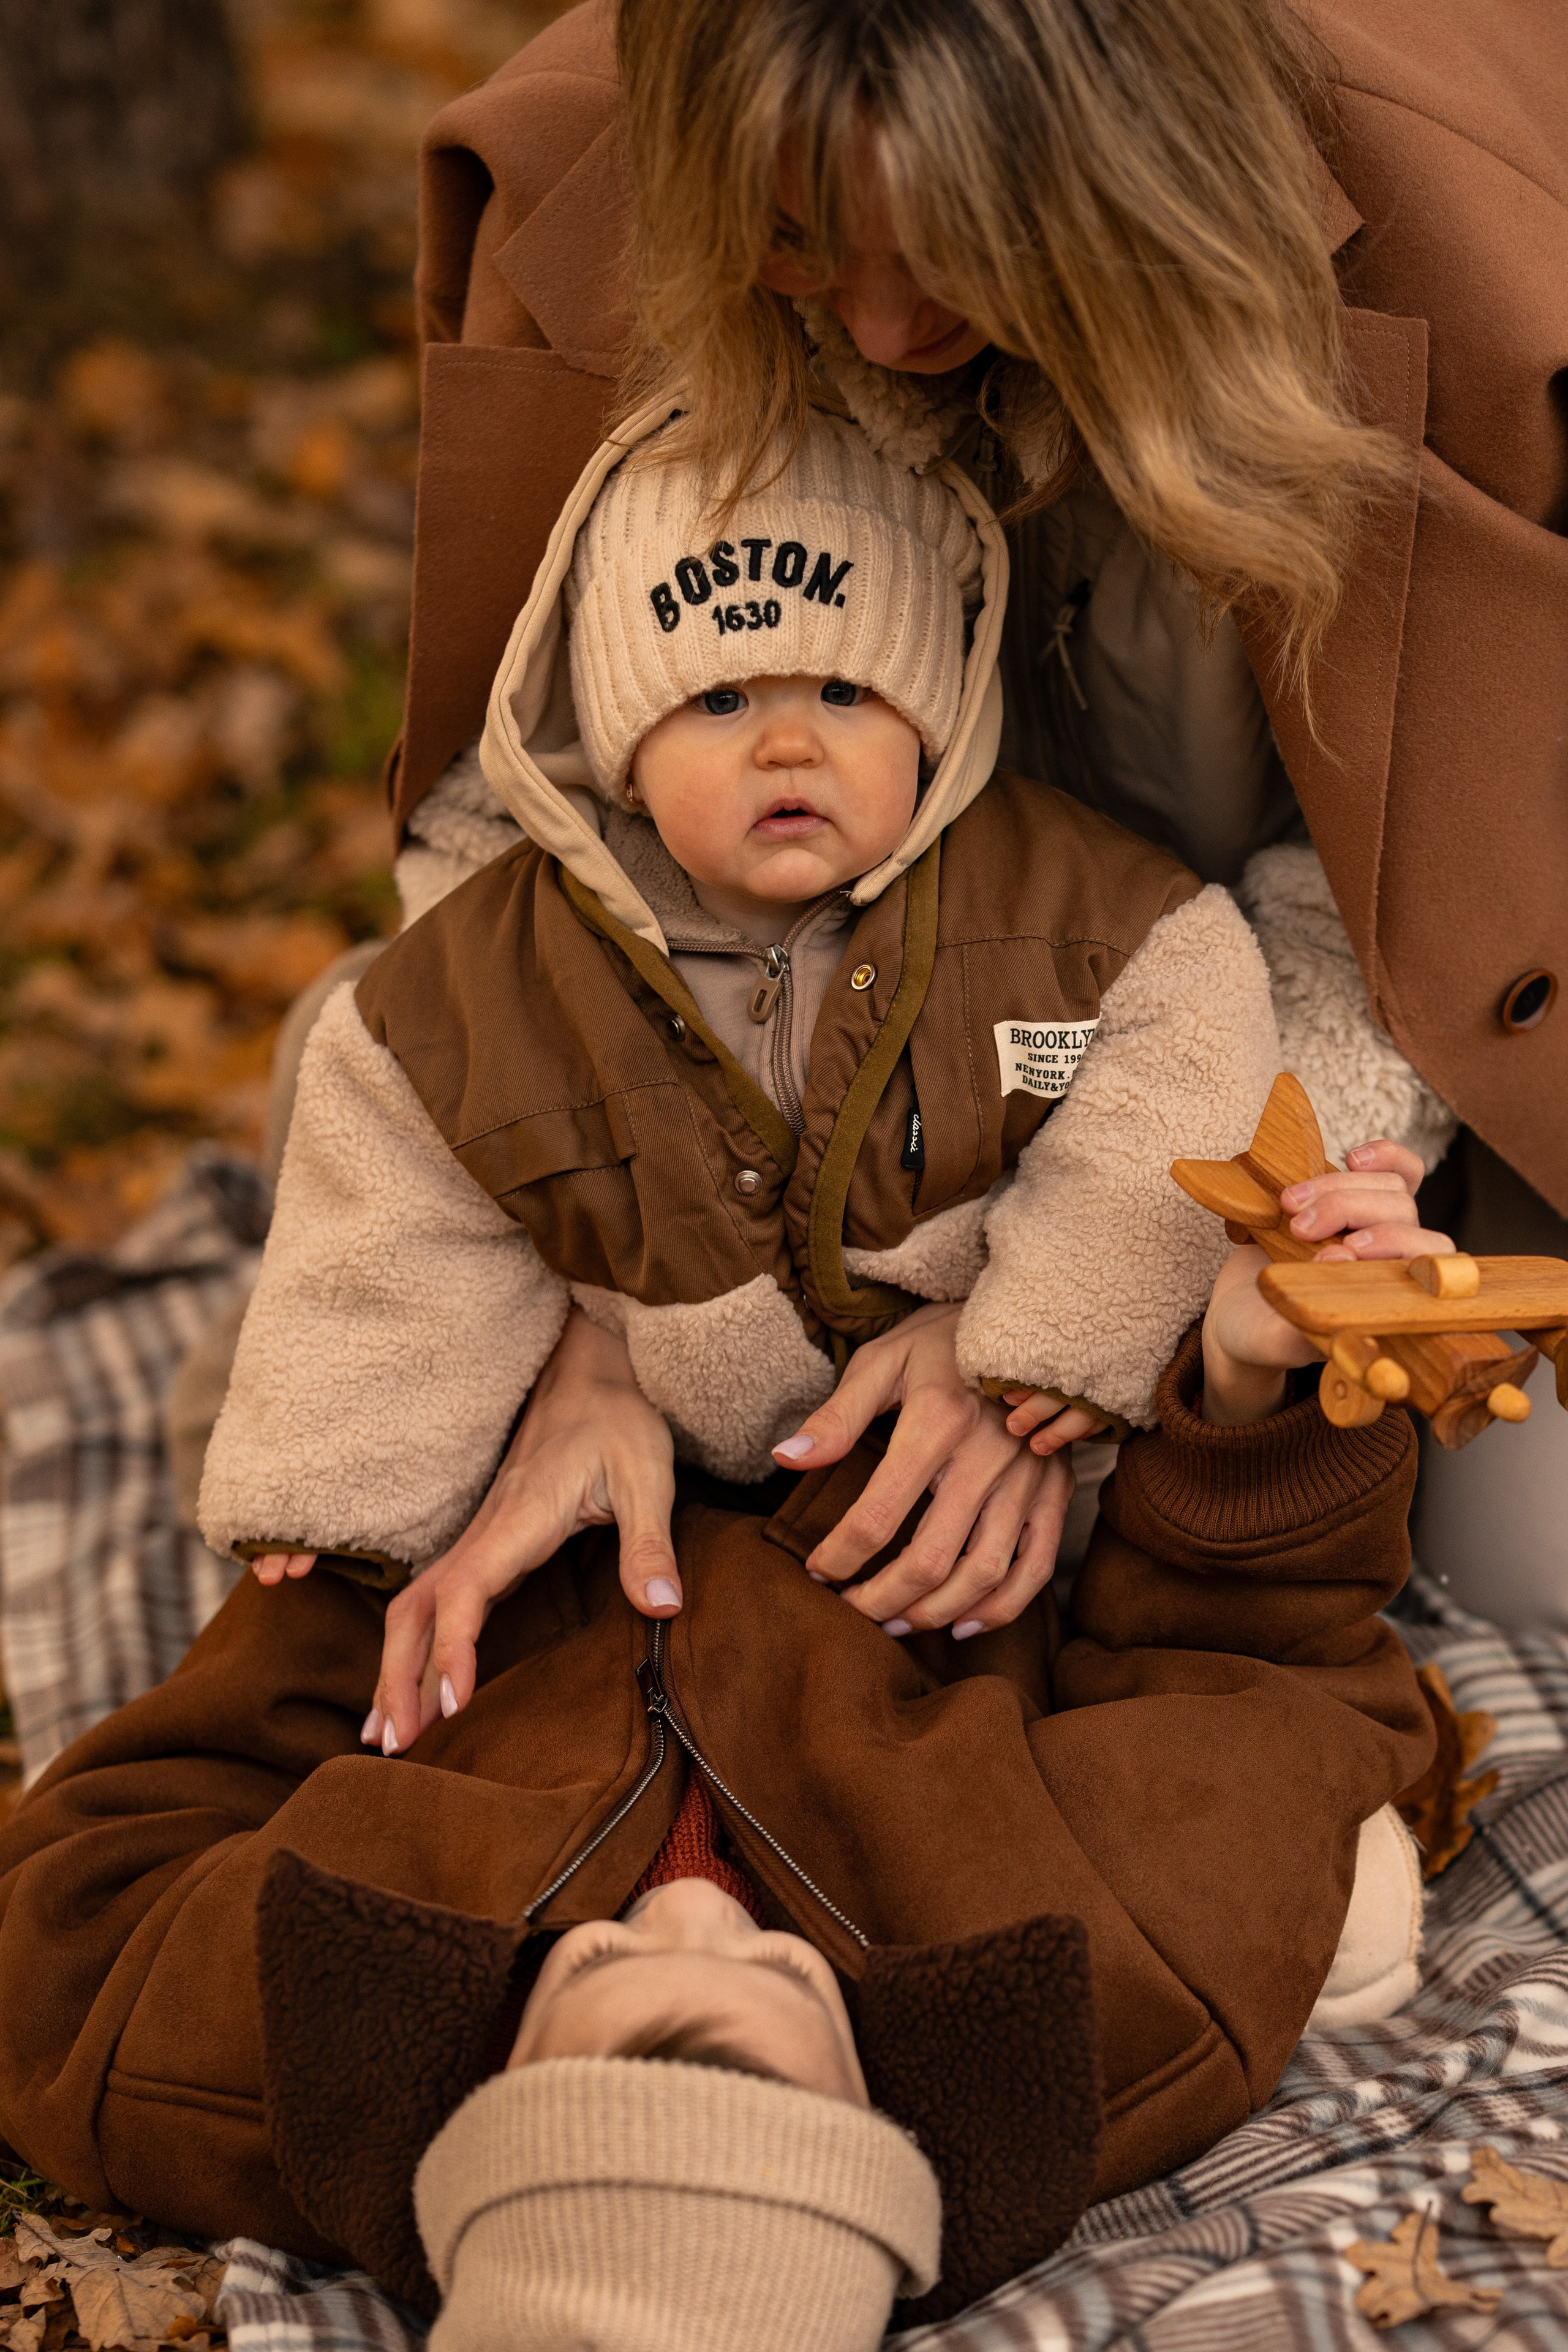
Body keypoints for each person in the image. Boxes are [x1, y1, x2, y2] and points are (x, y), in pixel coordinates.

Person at [394, 0, 1568, 1626]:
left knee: (1525, 1574)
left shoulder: (1476, 259)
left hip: (1354, 1000)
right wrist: (607, 1312)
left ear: (1130, 178)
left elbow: (1444, 870)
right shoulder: (575, 188)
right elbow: (522, 823)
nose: (878, 330)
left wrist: (1078, 1314)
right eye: (799, 247)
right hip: (852, 1052)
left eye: (958, 252)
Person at [193, 405, 1441, 1735]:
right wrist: (336, 1483)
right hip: (676, 1427)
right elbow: (392, 1219)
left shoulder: (1074, 911)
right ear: (618, 747)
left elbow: (1168, 1097)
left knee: (1037, 1635)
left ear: (935, 719)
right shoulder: (500, 972)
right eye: (721, 699)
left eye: (845, 693)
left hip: (1014, 1441)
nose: (788, 746)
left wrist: (1051, 1347)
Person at [0, 1246, 1437, 2344]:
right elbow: (1249, 1671)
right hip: (897, 1362)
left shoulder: (227, 2054)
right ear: (884, 2128)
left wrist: (429, 1506)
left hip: (453, 1435)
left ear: (476, 2118)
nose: (688, 1907)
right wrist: (1259, 1388)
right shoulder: (1106, 1991)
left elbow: (112, 1844)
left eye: (599, 1967)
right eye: (778, 1970)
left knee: (263, 1344)